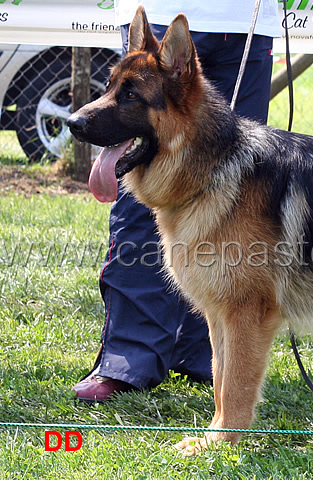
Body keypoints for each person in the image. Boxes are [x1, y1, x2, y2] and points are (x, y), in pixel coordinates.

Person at [72, 0, 281, 401]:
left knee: (240, 202)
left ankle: (207, 358)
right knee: (142, 197)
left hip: (246, 22)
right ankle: (128, 359)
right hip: (168, 10)